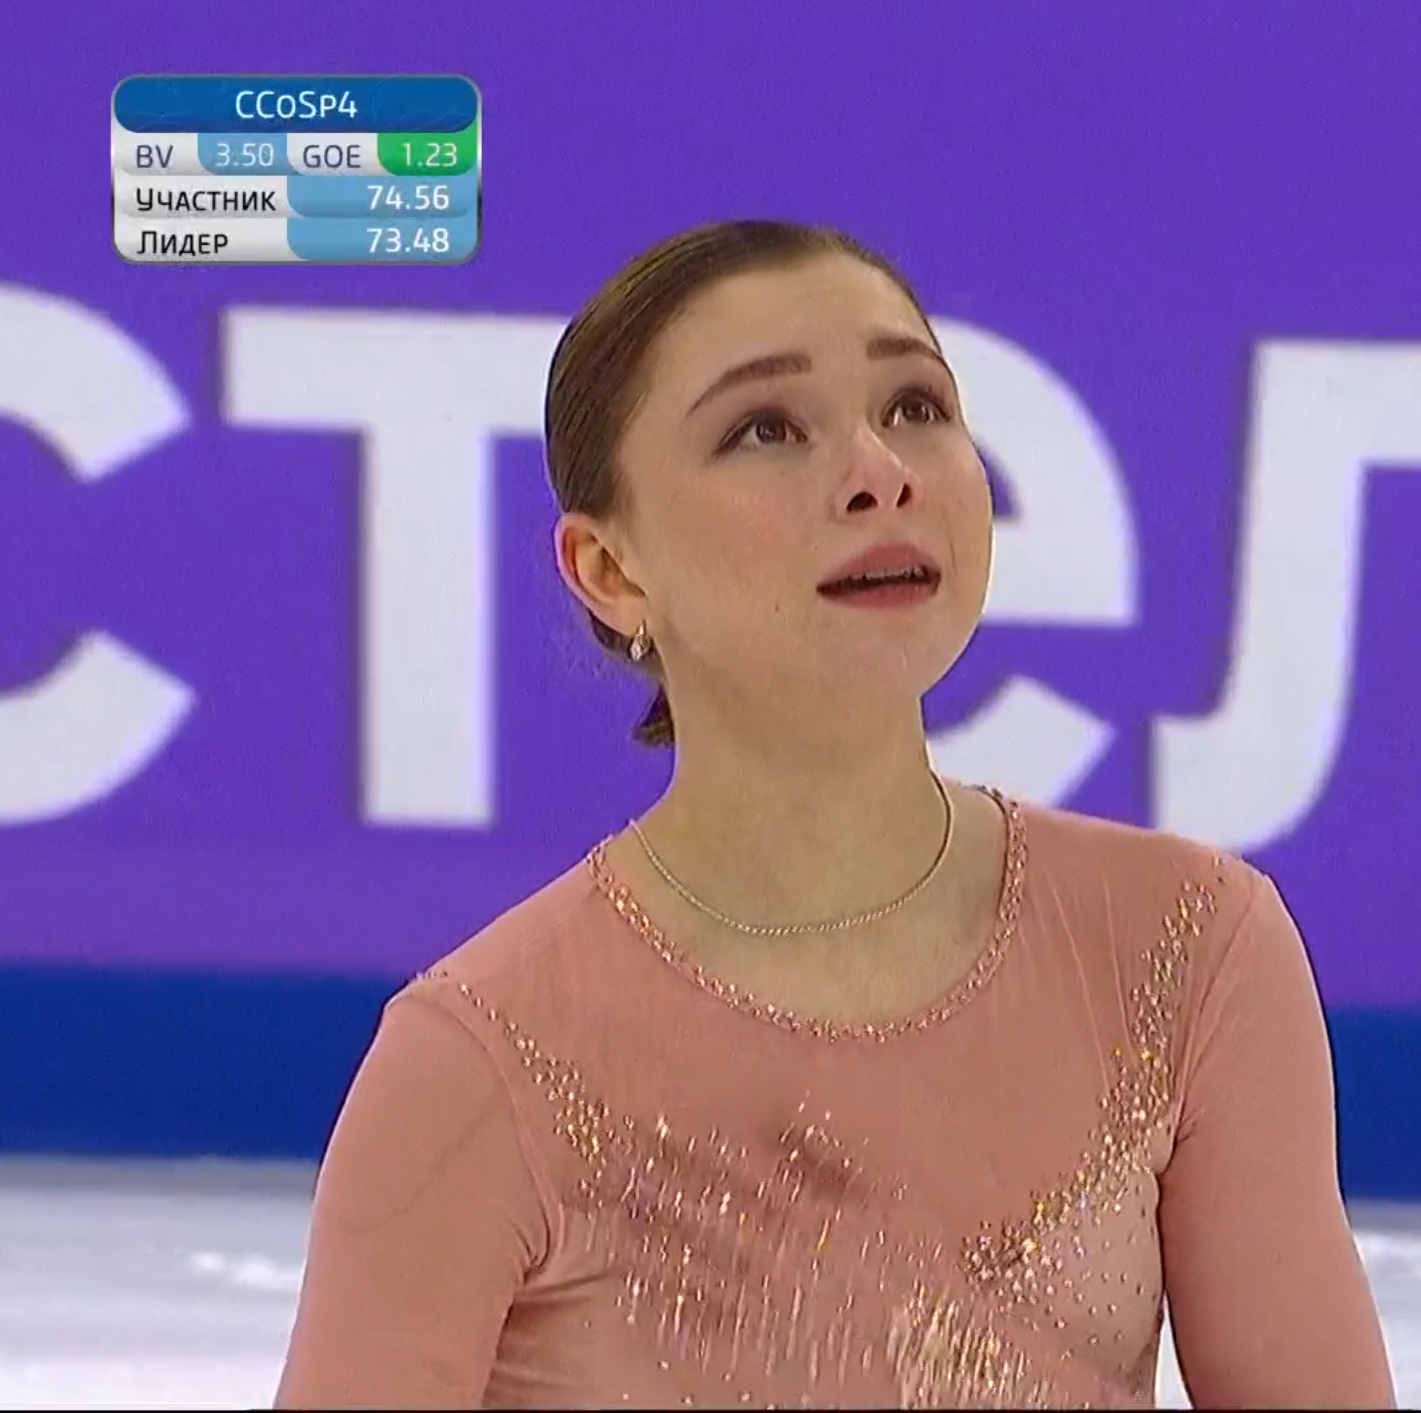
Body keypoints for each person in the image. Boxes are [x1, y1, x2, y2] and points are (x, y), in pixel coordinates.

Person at [274, 221, 1395, 1410]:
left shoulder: (1186, 951)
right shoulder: (481, 1063)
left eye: (914, 406)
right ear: (609, 570)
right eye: (765, 428)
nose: (878, 470)